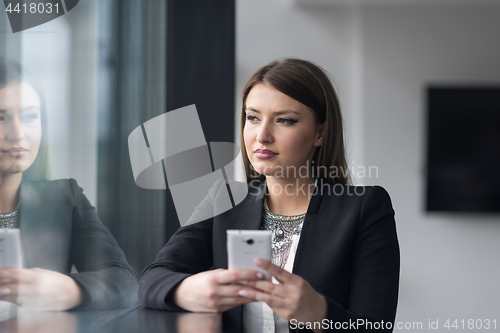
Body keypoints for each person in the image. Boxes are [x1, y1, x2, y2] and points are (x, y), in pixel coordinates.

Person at [139, 58, 400, 332]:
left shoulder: (365, 208)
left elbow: (376, 327)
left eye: (284, 120)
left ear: (320, 133)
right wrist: (190, 289)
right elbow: (152, 279)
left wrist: (319, 313)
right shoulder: (224, 197)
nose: (262, 136)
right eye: (253, 117)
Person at [0, 58, 138, 311]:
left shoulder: (62, 198)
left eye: (30, 116)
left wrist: (65, 289)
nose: (17, 133)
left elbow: (124, 280)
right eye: (1, 118)